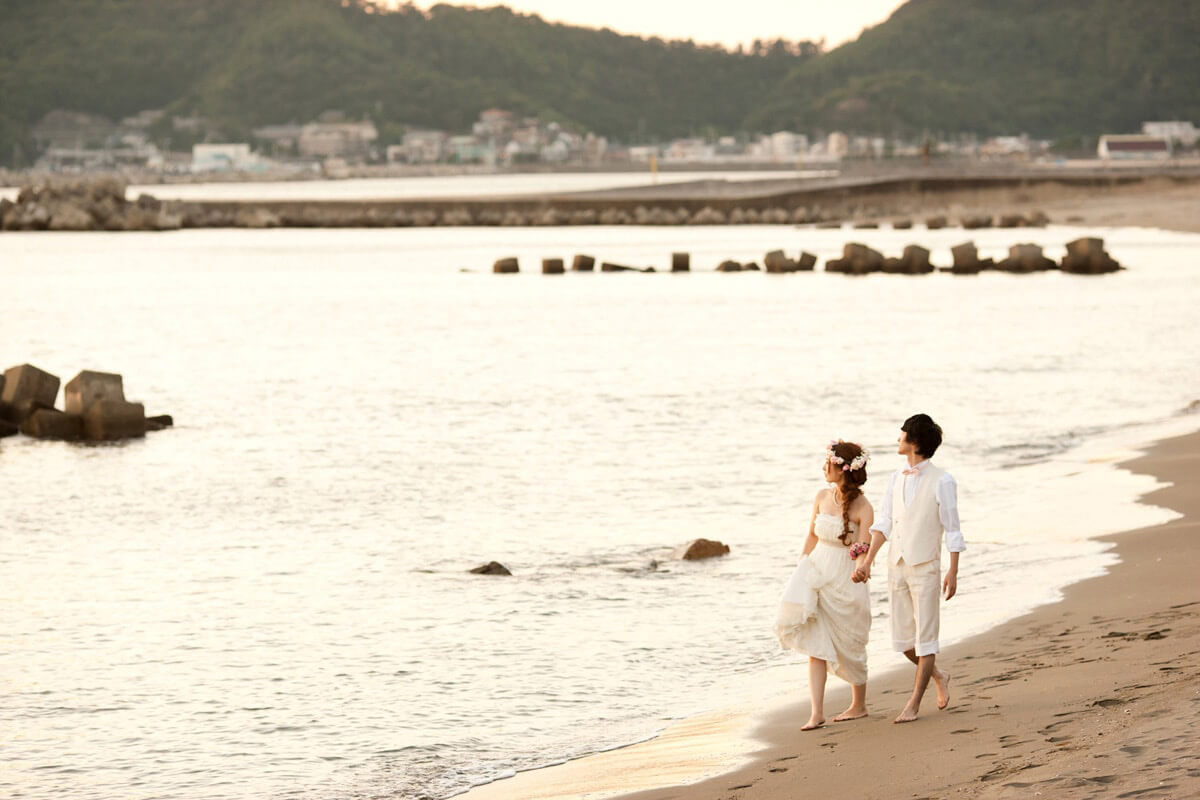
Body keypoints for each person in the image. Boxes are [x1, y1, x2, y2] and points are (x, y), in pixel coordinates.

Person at [855, 413, 965, 723]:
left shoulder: (943, 480)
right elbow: (884, 523)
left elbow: (953, 529)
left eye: (902, 434)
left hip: (926, 567)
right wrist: (868, 560)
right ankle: (939, 676)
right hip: (897, 565)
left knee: (926, 637)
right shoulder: (896, 477)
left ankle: (914, 703)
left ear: (913, 441)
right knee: (904, 641)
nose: (898, 438)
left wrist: (952, 570)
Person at [775, 440, 874, 731]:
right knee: (815, 644)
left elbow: (863, 547)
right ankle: (816, 712)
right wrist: (801, 567)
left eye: (827, 463)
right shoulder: (820, 496)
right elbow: (811, 535)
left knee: (852, 641)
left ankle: (859, 705)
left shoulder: (863, 506)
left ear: (842, 468)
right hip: (817, 573)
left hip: (845, 577)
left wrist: (859, 569)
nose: (823, 467)